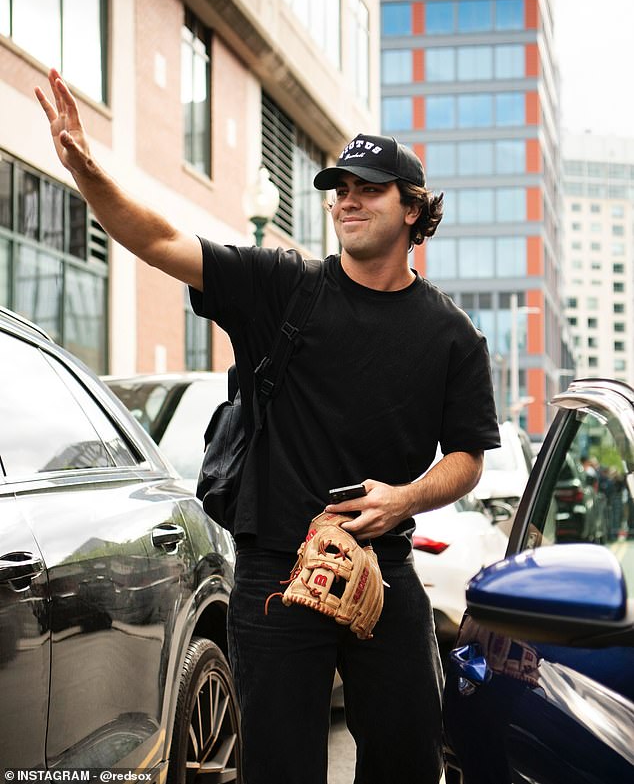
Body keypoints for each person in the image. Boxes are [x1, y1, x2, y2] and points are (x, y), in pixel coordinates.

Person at [36, 68, 500, 784]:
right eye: (339, 188)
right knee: (281, 768)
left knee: (410, 757)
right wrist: (88, 171)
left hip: (385, 570)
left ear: (412, 209)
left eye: (367, 188)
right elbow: (159, 241)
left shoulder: (452, 336)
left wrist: (403, 499)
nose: (347, 200)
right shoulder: (283, 286)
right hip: (275, 573)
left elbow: (468, 456)